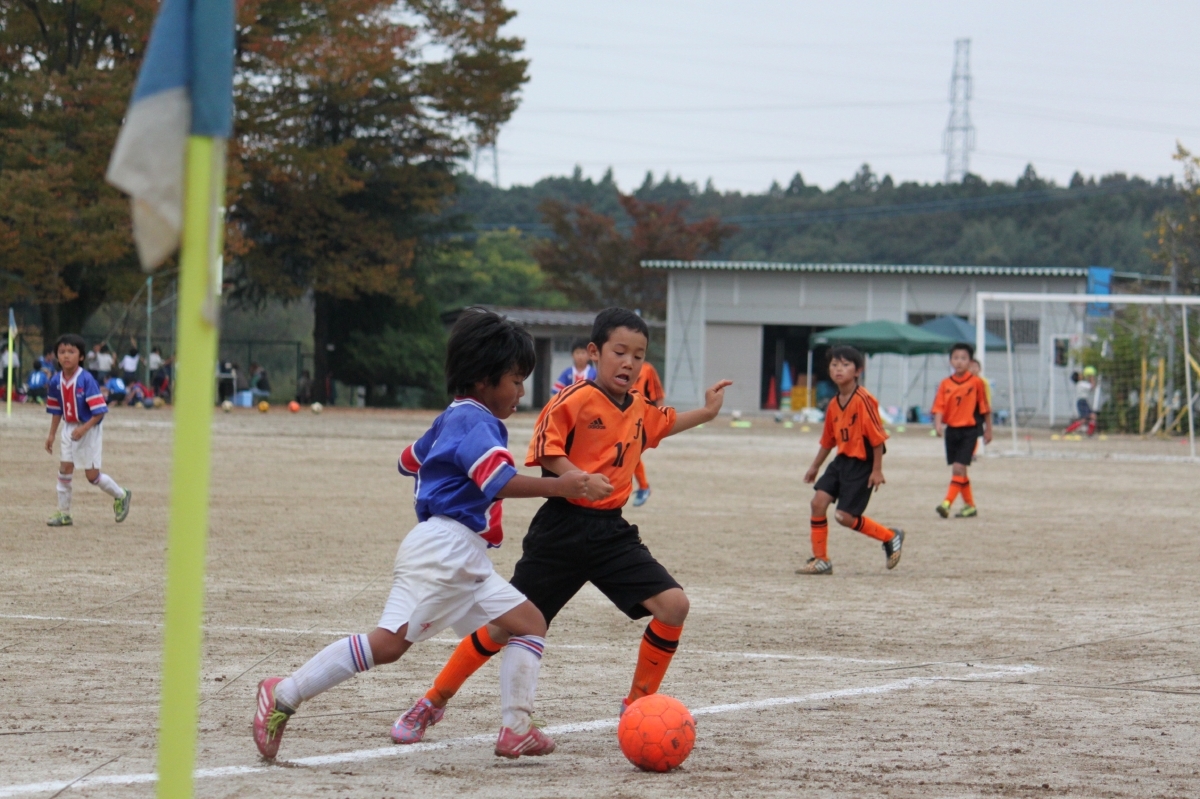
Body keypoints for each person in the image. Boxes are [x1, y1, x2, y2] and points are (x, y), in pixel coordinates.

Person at [252, 308, 603, 762]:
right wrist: (561, 486)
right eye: (516, 381)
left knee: (528, 623)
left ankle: (516, 729)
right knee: (388, 644)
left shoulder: (451, 417)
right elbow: (496, 481)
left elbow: (408, 461)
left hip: (454, 550)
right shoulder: (479, 422)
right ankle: (284, 692)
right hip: (446, 548)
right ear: (483, 380)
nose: (521, 392)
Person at [389, 307, 731, 745]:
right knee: (505, 626)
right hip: (561, 530)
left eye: (638, 355)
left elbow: (664, 423)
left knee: (674, 606)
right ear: (595, 352)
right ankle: (431, 701)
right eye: (619, 352)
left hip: (611, 533)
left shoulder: (639, 409)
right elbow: (546, 451)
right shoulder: (572, 399)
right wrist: (578, 479)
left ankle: (637, 705)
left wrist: (707, 412)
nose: (629, 363)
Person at [797, 345, 903, 575]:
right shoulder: (833, 404)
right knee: (817, 503)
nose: (838, 369)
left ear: (858, 371)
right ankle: (821, 559)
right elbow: (828, 440)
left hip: (862, 464)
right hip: (841, 461)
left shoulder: (864, 400)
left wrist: (877, 470)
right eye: (834, 364)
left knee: (844, 517)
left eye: (845, 365)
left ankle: (889, 536)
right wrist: (814, 466)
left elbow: (877, 439)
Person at [43, 334, 132, 527]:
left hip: (89, 428)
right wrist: (51, 435)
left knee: (92, 476)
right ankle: (64, 513)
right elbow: (56, 410)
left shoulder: (86, 379)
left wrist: (83, 429)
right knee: (65, 469)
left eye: (71, 351)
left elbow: (99, 412)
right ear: (57, 356)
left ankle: (121, 494)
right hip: (69, 428)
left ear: (81, 356)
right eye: (62, 352)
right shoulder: (55, 381)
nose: (66, 355)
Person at [933, 343, 993, 519]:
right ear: (950, 360)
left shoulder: (976, 383)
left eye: (963, 358)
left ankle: (946, 503)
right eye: (956, 358)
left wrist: (989, 430)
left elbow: (985, 408)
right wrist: (938, 424)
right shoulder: (945, 383)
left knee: (958, 467)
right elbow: (939, 406)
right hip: (952, 431)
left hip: (970, 431)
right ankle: (970, 506)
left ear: (970, 361)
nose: (959, 362)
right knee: (960, 470)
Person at [631, 359, 665, 507]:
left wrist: (659, 420)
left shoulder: (647, 369)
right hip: (620, 417)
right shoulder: (618, 366)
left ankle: (644, 487)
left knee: (631, 453)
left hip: (640, 419)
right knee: (624, 454)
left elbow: (658, 395)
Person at [1064, 366, 1098, 437]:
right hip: (1082, 402)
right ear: (1078, 378)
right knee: (1084, 420)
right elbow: (1092, 386)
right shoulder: (1081, 384)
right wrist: (1091, 378)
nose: (1082, 375)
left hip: (1084, 401)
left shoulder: (1081, 384)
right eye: (1080, 375)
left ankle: (1090, 433)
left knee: (1093, 416)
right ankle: (1067, 430)